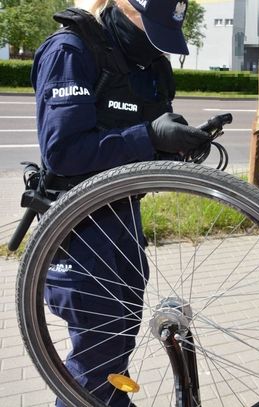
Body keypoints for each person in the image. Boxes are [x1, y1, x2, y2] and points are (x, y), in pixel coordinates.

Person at [31, 0, 210, 405]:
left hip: (123, 219)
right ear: (124, 8)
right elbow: (63, 151)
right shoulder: (71, 51)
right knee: (95, 366)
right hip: (77, 230)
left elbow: (144, 140)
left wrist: (177, 145)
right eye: (148, 27)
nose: (154, 43)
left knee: (114, 350)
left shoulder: (150, 65)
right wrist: (149, 137)